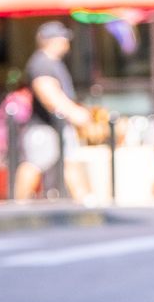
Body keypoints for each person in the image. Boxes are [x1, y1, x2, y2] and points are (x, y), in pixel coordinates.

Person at [12, 21, 94, 200]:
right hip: (45, 126)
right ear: (52, 40)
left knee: (70, 161)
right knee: (35, 163)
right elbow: (48, 94)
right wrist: (74, 113)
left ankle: (84, 200)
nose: (66, 43)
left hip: (57, 124)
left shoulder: (51, 63)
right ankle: (18, 203)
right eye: (63, 38)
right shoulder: (42, 63)